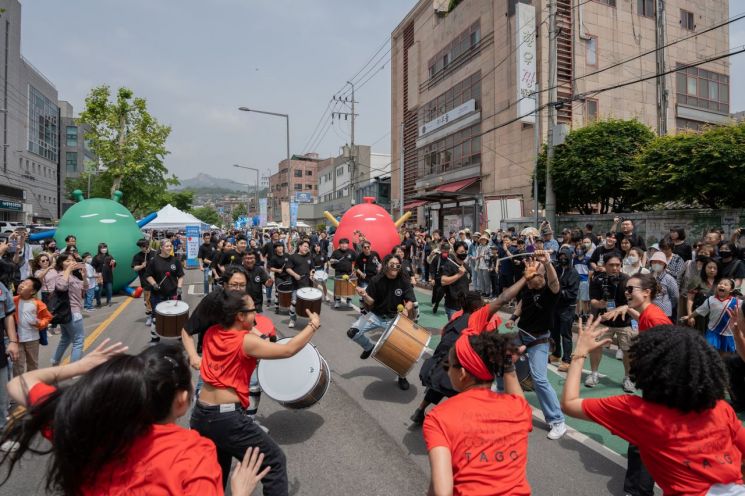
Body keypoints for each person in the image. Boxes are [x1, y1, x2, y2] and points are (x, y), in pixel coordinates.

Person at [1, 338, 267, 495]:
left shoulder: (82, 422)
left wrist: (80, 367)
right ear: (183, 401)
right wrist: (240, 491)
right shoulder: (194, 454)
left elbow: (19, 384)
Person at [562, 318, 745, 496]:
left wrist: (580, 353)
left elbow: (569, 404)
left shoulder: (636, 411)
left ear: (648, 365)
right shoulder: (720, 407)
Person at [190, 291, 321, 493]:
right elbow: (289, 350)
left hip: (200, 415)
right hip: (227, 419)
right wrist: (313, 325)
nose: (256, 315)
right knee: (274, 461)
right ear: (240, 316)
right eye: (253, 311)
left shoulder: (211, 333)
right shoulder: (245, 341)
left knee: (216, 472)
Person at [423, 322, 532, 495]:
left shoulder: (438, 418)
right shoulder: (518, 408)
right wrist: (508, 365)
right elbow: (516, 391)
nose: (447, 370)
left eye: (449, 365)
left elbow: (442, 491)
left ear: (463, 374)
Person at [413, 272, 533, 425]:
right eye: (483, 302)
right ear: (478, 307)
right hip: (461, 369)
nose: (485, 304)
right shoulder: (478, 318)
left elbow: (444, 334)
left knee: (437, 388)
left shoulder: (456, 316)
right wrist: (524, 278)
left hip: (440, 365)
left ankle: (420, 410)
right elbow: (502, 300)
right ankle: (450, 426)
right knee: (463, 400)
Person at [602, 272, 672, 496]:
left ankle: (638, 490)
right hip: (657, 385)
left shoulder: (655, 318)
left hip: (663, 387)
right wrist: (626, 309)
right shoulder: (646, 314)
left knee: (641, 441)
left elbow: (671, 354)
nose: (627, 292)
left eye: (631, 289)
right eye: (626, 289)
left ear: (647, 292)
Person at [506, 250, 567, 440]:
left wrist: (547, 263)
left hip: (539, 340)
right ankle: (502, 399)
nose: (533, 276)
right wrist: (514, 317)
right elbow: (522, 303)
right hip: (522, 335)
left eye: (536, 273)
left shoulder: (550, 292)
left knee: (539, 379)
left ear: (543, 276)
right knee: (504, 365)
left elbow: (555, 283)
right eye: (529, 274)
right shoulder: (527, 288)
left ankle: (557, 421)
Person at [347, 254, 416, 390]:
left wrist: (407, 309)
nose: (395, 267)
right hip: (375, 315)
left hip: (394, 319)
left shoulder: (404, 280)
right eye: (392, 264)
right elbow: (371, 302)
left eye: (398, 265)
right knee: (353, 332)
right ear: (385, 265)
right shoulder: (376, 280)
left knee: (399, 351)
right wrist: (365, 295)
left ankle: (402, 376)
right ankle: (368, 347)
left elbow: (410, 300)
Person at [585, 254, 635, 392]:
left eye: (618, 265)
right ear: (605, 266)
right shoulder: (597, 279)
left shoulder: (628, 280)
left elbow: (631, 303)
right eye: (611, 265)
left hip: (624, 322)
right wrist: (600, 304)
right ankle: (593, 374)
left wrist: (616, 311)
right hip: (604, 320)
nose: (615, 268)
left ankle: (628, 378)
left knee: (628, 350)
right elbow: (593, 301)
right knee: (596, 347)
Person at [145, 239, 185, 343]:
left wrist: (179, 287)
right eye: (167, 246)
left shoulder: (175, 260)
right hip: (158, 294)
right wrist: (154, 284)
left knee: (178, 316)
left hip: (173, 293)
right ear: (161, 248)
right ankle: (154, 338)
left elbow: (180, 276)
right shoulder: (154, 261)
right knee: (156, 317)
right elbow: (148, 275)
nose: (169, 247)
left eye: (170, 246)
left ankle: (180, 335)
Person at [51, 253, 88, 365]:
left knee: (66, 338)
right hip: (72, 312)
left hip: (68, 313)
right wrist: (67, 270)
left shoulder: (73, 277)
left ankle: (55, 361)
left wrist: (84, 276)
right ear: (61, 263)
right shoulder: (60, 275)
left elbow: (85, 287)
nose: (71, 262)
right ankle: (74, 369)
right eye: (67, 261)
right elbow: (61, 286)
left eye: (72, 260)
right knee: (78, 341)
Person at [11, 277, 52, 377]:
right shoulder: (13, 300)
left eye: (25, 285)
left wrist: (39, 323)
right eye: (22, 283)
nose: (21, 285)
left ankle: (31, 383)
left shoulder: (38, 303)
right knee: (18, 365)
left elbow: (47, 317)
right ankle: (18, 386)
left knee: (33, 363)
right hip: (17, 339)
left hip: (33, 339)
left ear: (33, 291)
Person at [687, 278, 739, 353]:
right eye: (720, 283)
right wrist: (689, 316)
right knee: (709, 351)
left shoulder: (736, 302)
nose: (722, 285)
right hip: (712, 331)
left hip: (728, 333)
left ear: (731, 290)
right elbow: (700, 310)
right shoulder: (711, 300)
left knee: (727, 355)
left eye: (725, 284)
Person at [550, 247, 579, 373]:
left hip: (567, 308)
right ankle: (556, 354)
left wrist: (558, 292)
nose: (562, 258)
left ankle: (567, 360)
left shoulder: (573, 273)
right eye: (560, 256)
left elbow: (572, 293)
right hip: (555, 306)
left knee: (566, 334)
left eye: (565, 256)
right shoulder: (556, 269)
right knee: (554, 332)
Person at [0, 278, 18, 453]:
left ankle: (2, 435)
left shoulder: (1, 287)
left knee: (2, 397)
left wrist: (13, 341)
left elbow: (8, 315)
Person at [286, 240, 313, 328]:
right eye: (305, 246)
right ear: (300, 246)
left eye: (308, 247)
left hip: (308, 284)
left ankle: (312, 320)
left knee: (310, 303)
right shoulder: (293, 257)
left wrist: (312, 273)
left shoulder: (309, 257)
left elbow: (312, 268)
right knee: (294, 302)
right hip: (296, 284)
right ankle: (292, 319)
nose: (306, 248)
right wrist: (295, 274)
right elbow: (288, 269)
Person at [440, 241, 471, 320]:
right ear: (455, 252)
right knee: (453, 329)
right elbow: (443, 281)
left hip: (464, 305)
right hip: (452, 305)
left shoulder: (466, 267)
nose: (464, 253)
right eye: (461, 252)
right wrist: (459, 275)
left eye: (465, 251)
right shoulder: (449, 264)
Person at [131, 238, 155, 325]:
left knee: (158, 298)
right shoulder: (137, 256)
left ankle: (157, 316)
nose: (142, 248)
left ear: (148, 245)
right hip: (145, 281)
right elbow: (134, 268)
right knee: (148, 300)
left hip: (156, 280)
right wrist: (142, 266)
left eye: (144, 246)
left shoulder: (154, 253)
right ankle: (149, 317)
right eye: (141, 247)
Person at [648, 251, 679, 319]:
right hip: (649, 311)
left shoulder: (669, 279)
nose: (656, 264)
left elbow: (675, 296)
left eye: (660, 262)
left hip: (664, 313)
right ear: (651, 263)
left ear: (664, 265)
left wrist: (668, 305)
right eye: (654, 262)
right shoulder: (648, 276)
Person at [329, 238, 357, 309]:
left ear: (348, 244)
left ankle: (349, 301)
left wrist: (354, 270)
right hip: (338, 272)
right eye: (342, 244)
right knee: (338, 287)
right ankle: (338, 301)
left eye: (345, 244)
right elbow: (331, 262)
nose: (344, 245)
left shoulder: (351, 252)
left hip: (349, 273)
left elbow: (356, 261)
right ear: (340, 244)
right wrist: (332, 262)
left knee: (349, 287)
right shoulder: (335, 252)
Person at [354, 241, 382, 311]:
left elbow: (380, 263)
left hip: (375, 279)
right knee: (363, 295)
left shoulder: (375, 254)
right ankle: (362, 309)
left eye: (368, 247)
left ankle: (371, 310)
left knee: (373, 296)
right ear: (362, 248)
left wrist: (379, 268)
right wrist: (361, 273)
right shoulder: (360, 256)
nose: (367, 248)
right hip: (364, 279)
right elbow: (355, 267)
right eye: (365, 247)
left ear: (370, 247)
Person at [268, 243, 292, 313]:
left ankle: (290, 307)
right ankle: (277, 307)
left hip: (288, 276)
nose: (280, 248)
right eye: (278, 247)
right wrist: (277, 270)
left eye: (281, 246)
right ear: (275, 249)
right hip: (279, 277)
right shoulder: (274, 258)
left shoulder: (287, 255)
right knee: (278, 292)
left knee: (289, 292)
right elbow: (270, 268)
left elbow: (292, 263)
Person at [92, 242, 116, 307]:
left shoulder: (109, 256)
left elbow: (114, 266)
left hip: (108, 276)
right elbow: (92, 266)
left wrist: (113, 262)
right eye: (102, 248)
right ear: (99, 249)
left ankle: (109, 301)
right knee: (98, 291)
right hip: (99, 277)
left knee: (109, 290)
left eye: (105, 247)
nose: (104, 249)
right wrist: (96, 274)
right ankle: (98, 301)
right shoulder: (96, 257)